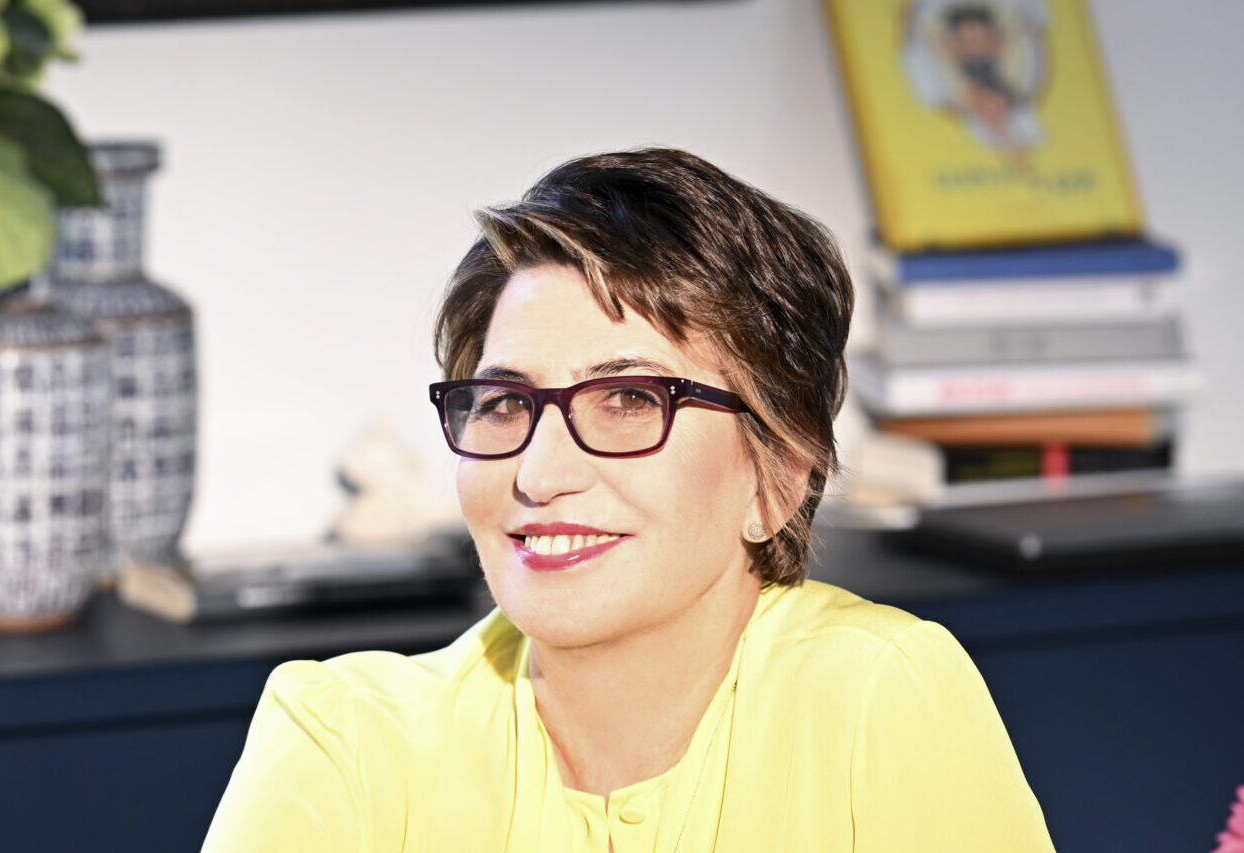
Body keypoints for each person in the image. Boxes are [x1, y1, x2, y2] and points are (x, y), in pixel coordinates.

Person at [202, 148, 1055, 851]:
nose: (538, 472)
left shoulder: (875, 696)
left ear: (777, 475)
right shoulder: (342, 741)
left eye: (630, 399)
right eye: (504, 403)